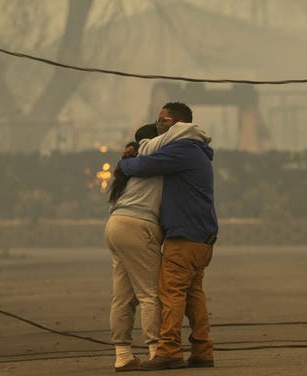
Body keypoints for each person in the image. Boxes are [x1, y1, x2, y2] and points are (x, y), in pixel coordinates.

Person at [118, 102, 218, 370]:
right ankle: (202, 350)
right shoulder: (195, 150)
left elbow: (143, 166)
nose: (159, 125)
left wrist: (125, 162)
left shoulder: (182, 148)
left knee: (171, 293)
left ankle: (169, 350)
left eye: (163, 121)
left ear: (176, 124)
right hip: (201, 236)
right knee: (193, 294)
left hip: (184, 236)